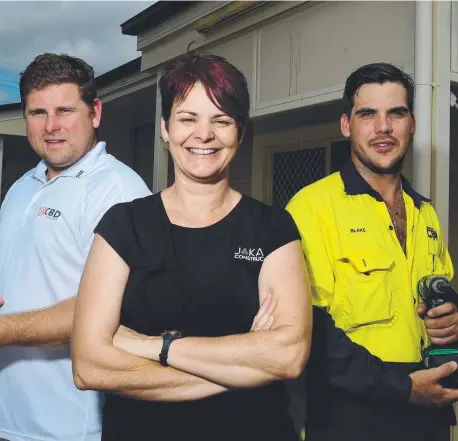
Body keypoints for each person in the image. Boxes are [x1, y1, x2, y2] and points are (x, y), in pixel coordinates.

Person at [71, 52, 312, 441]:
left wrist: (156, 346)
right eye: (188, 119)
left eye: (222, 120)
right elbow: (90, 366)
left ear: (241, 132)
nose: (204, 134)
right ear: (165, 128)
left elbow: (288, 356)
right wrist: (246, 368)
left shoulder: (272, 228)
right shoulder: (123, 225)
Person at [0, 53, 151, 441]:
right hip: (13, 416)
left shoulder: (118, 191)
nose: (51, 126)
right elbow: (22, 274)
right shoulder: (22, 186)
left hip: (78, 425)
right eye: (37, 112)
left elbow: (114, 310)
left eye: (65, 110)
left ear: (95, 112)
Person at [286, 63, 458, 441]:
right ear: (346, 125)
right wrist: (403, 388)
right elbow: (309, 333)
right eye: (367, 114)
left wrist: (452, 324)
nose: (383, 128)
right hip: (351, 420)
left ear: (412, 124)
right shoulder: (311, 209)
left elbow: (437, 300)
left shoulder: (425, 212)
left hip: (429, 418)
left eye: (396, 113)